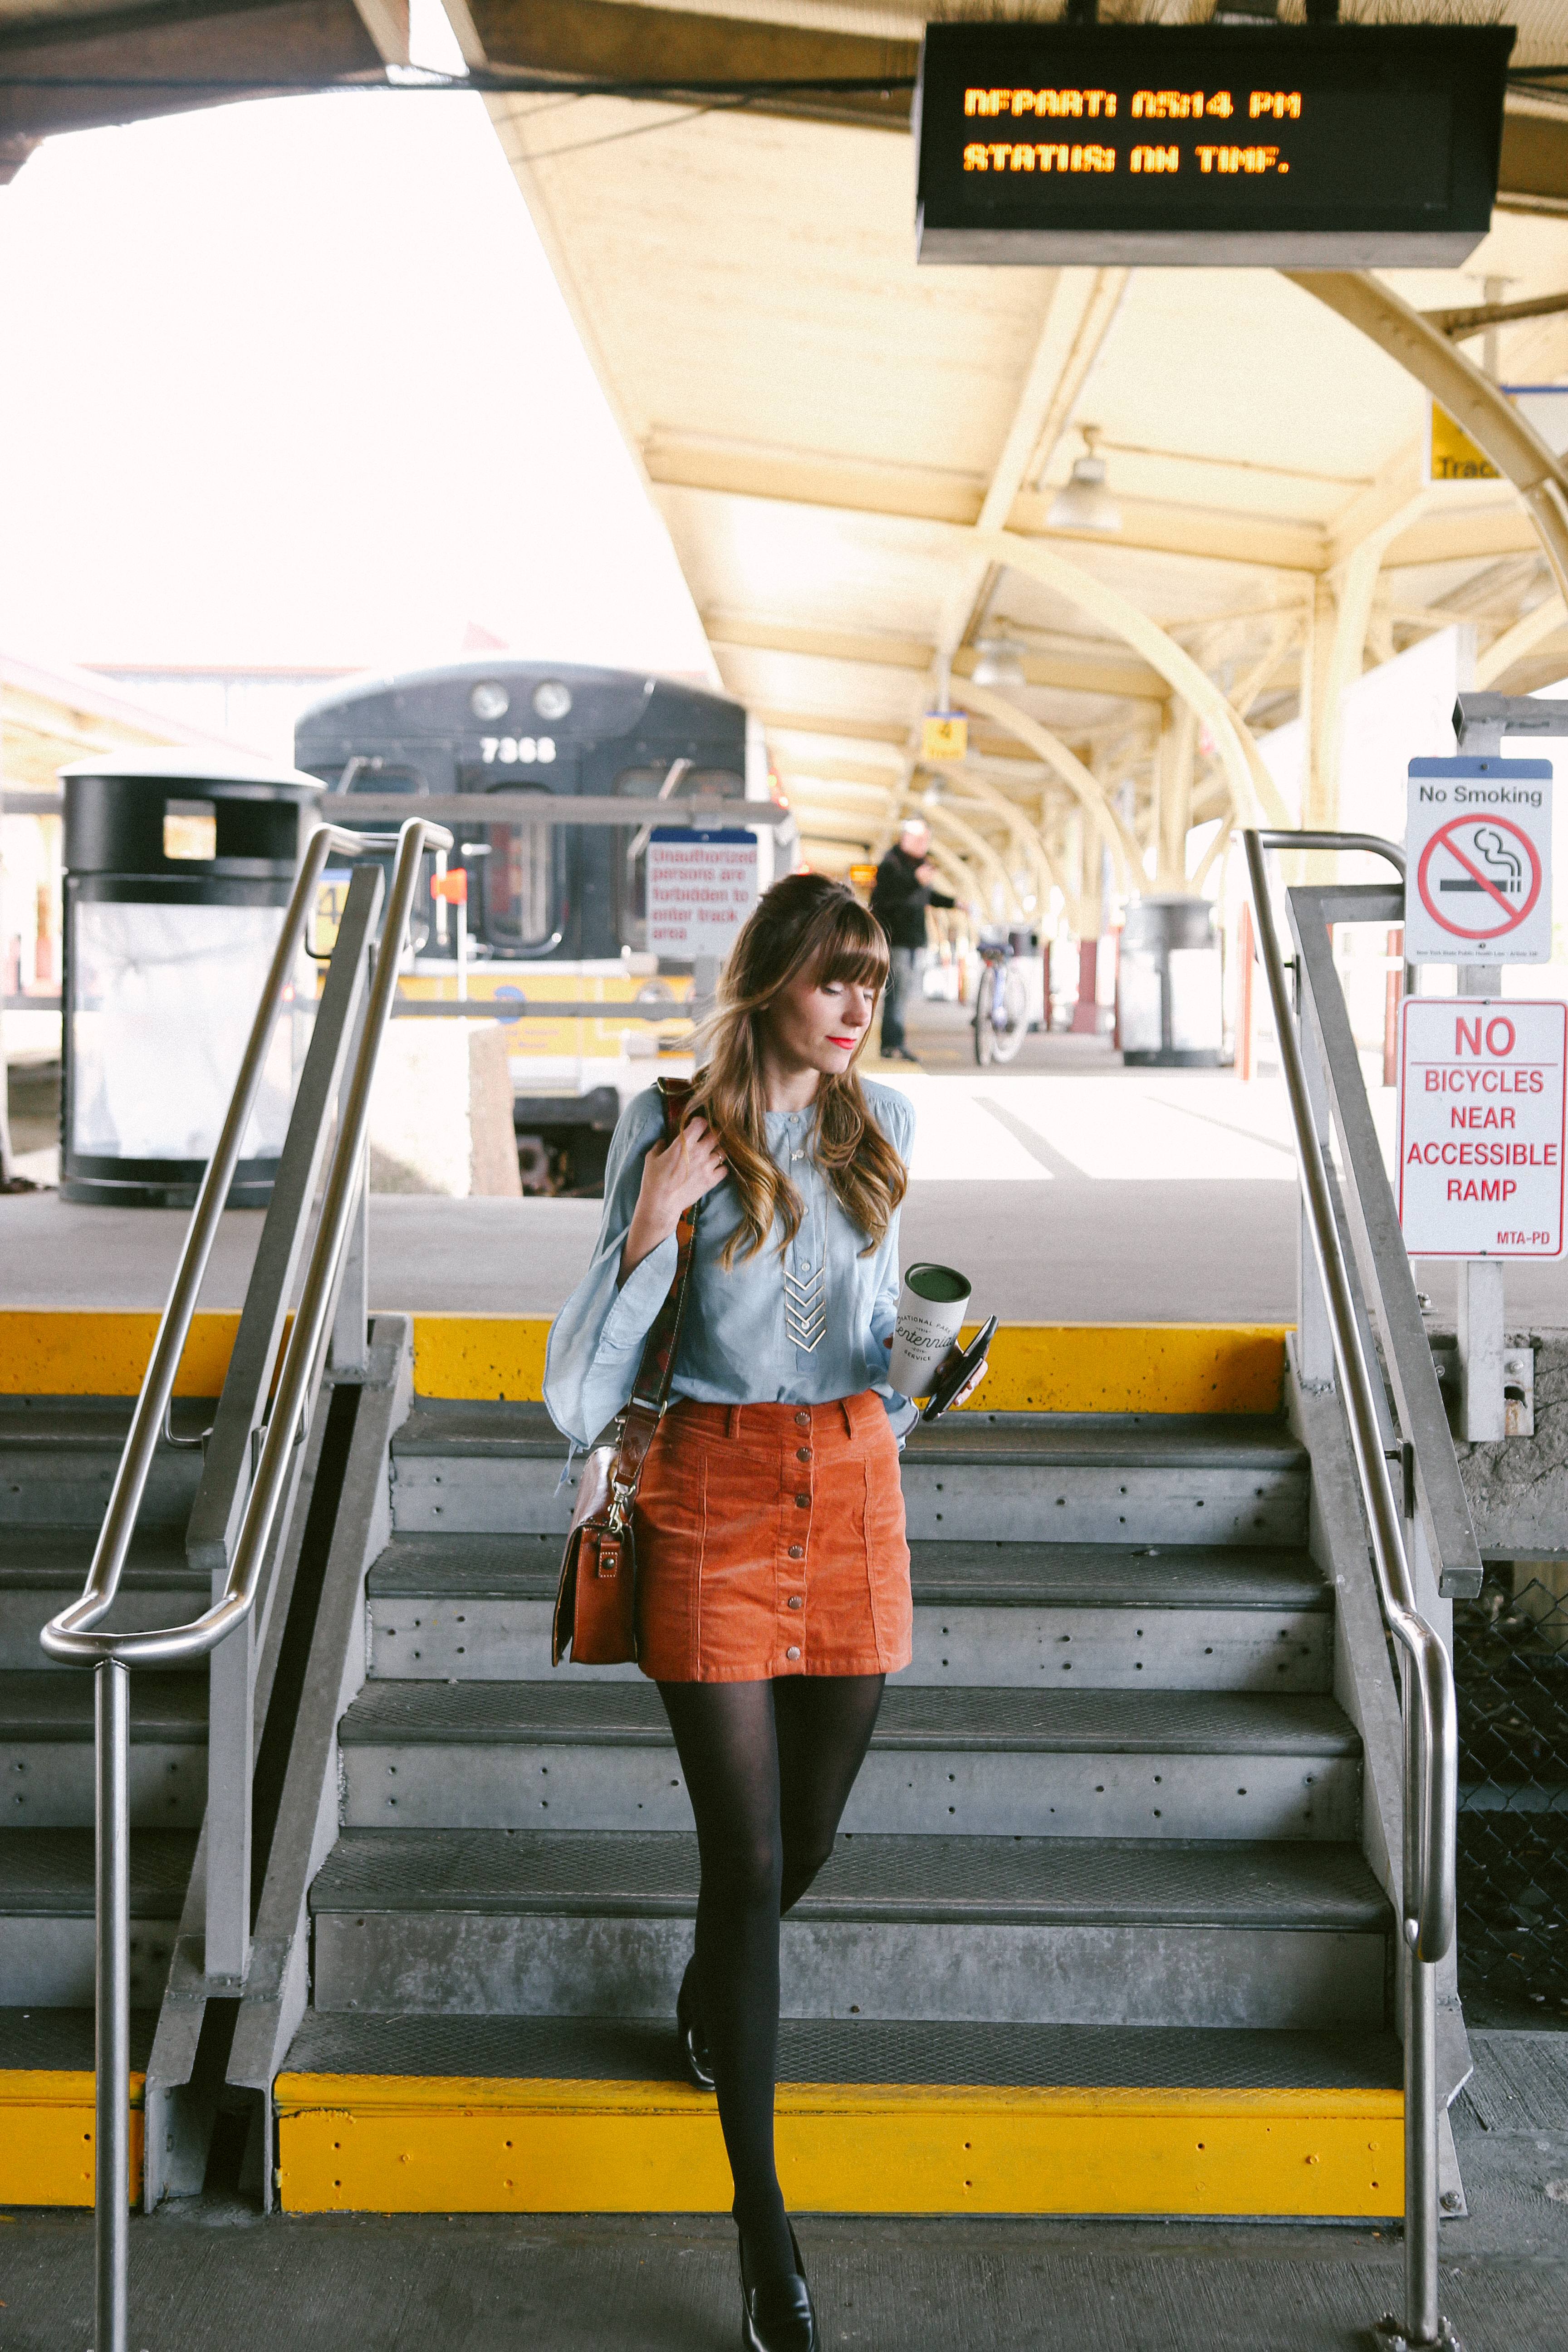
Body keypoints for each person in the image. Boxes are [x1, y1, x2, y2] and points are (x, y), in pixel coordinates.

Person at [544, 874, 977, 2352]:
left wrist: (918, 1371)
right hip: (709, 1489)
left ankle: (705, 1989)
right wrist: (652, 1223)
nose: (863, 1003)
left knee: (807, 1840)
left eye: (872, 979)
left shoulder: (886, 1128)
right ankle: (758, 2232)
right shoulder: (665, 1124)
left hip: (851, 1476)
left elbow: (860, 1341)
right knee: (742, 1856)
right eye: (835, 978)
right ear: (771, 982)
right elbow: (574, 1394)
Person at [868, 817, 955, 1062]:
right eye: (920, 839)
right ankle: (892, 1044)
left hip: (913, 938)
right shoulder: (891, 864)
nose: (924, 844)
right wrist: (916, 881)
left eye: (926, 839)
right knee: (897, 991)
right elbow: (890, 895)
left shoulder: (918, 866)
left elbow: (926, 897)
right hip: (896, 937)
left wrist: (954, 903)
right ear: (906, 838)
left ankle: (894, 1042)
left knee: (902, 991)